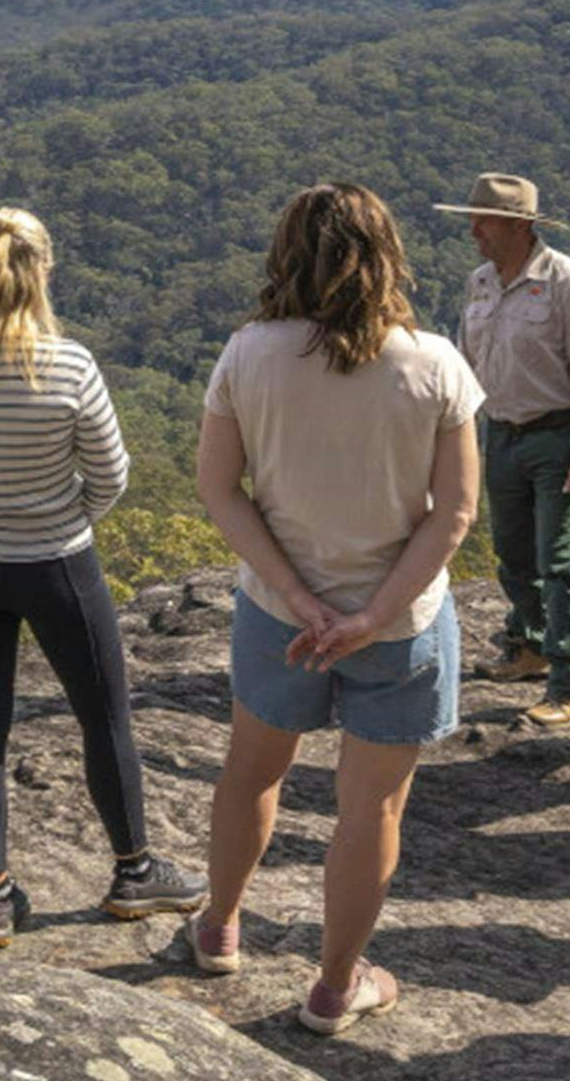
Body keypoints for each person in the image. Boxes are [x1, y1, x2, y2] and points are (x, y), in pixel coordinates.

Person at [194, 183, 482, 1035]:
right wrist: (369, 614)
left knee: (252, 771)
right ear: (387, 255)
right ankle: (333, 985)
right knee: (372, 812)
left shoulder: (248, 353)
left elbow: (220, 489)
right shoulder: (434, 365)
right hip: (399, 624)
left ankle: (217, 928)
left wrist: (295, 595)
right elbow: (455, 514)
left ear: (287, 254)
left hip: (280, 613)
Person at [0, 208, 206, 948]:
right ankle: (133, 874)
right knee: (103, 717)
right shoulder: (67, 364)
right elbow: (112, 475)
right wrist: (65, 516)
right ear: (41, 273)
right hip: (58, 561)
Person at [435, 173, 570, 730]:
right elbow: (466, 364)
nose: (473, 231)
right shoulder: (481, 283)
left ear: (518, 225)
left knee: (561, 563)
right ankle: (530, 646)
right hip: (500, 435)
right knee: (514, 556)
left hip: (557, 438)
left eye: (483, 220)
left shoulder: (567, 281)